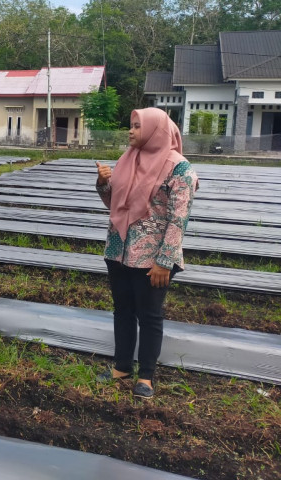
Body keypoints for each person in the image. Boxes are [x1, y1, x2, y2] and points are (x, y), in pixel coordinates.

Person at [94, 107, 198, 399]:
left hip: (153, 259)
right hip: (118, 250)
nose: (131, 131)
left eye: (138, 126)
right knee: (123, 311)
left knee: (150, 315)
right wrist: (103, 184)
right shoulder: (128, 160)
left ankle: (147, 377)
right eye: (131, 126)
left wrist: (165, 262)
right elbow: (116, 204)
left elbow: (179, 219)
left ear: (156, 130)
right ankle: (122, 366)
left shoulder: (180, 168)